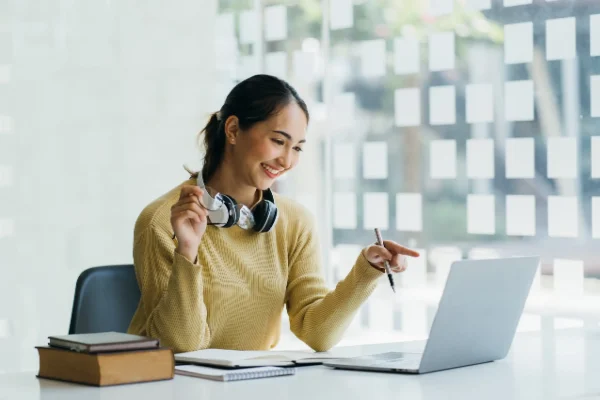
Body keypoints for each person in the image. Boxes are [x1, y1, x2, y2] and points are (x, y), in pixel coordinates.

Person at [127, 74, 420, 353]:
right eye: (278, 141)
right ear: (232, 130)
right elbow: (182, 343)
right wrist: (187, 251)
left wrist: (367, 270)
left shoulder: (294, 221)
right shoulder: (162, 221)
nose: (287, 160)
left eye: (297, 148)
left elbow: (318, 333)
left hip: (251, 383)